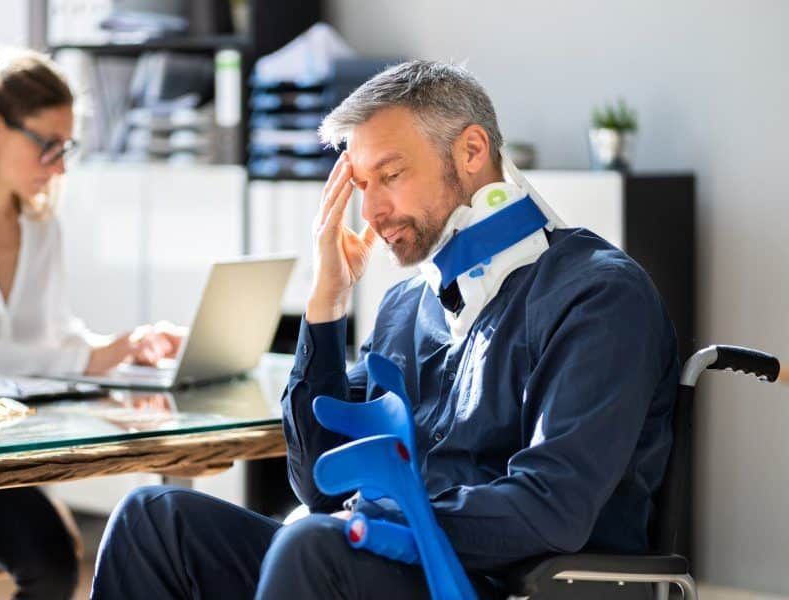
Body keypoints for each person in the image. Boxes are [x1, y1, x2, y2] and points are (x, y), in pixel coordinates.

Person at [89, 61, 678, 600]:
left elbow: (552, 509)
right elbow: (320, 487)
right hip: (392, 566)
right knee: (155, 518)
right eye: (361, 184)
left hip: (510, 582)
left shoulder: (598, 296)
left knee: (312, 545)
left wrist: (372, 523)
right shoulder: (407, 307)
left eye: (390, 175)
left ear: (472, 150)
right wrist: (327, 305)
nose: (369, 212)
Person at [0, 48, 181, 599]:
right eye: (48, 145)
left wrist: (122, 346)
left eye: (66, 147)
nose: (60, 165)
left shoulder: (41, 226)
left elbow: (54, 336)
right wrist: (90, 357)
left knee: (57, 567)